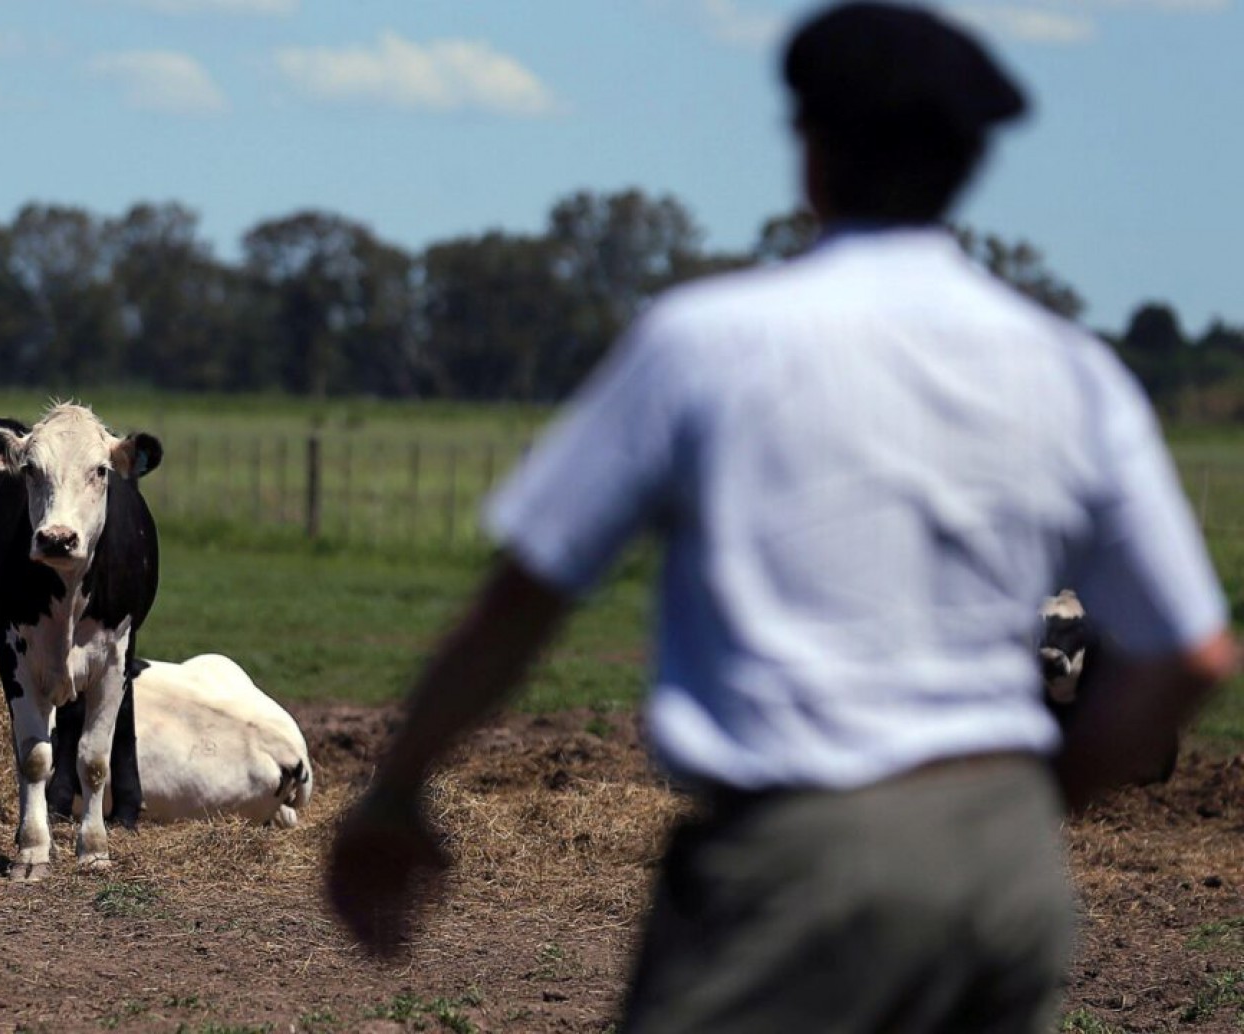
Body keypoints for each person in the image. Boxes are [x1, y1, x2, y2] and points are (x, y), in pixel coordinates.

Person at [324, 2, 1239, 1030]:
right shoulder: (1073, 373)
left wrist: (397, 790)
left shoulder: (706, 343)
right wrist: (1035, 807)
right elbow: (1193, 650)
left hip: (798, 858)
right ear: (969, 166)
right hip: (1004, 873)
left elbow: (523, 598)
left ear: (810, 153)